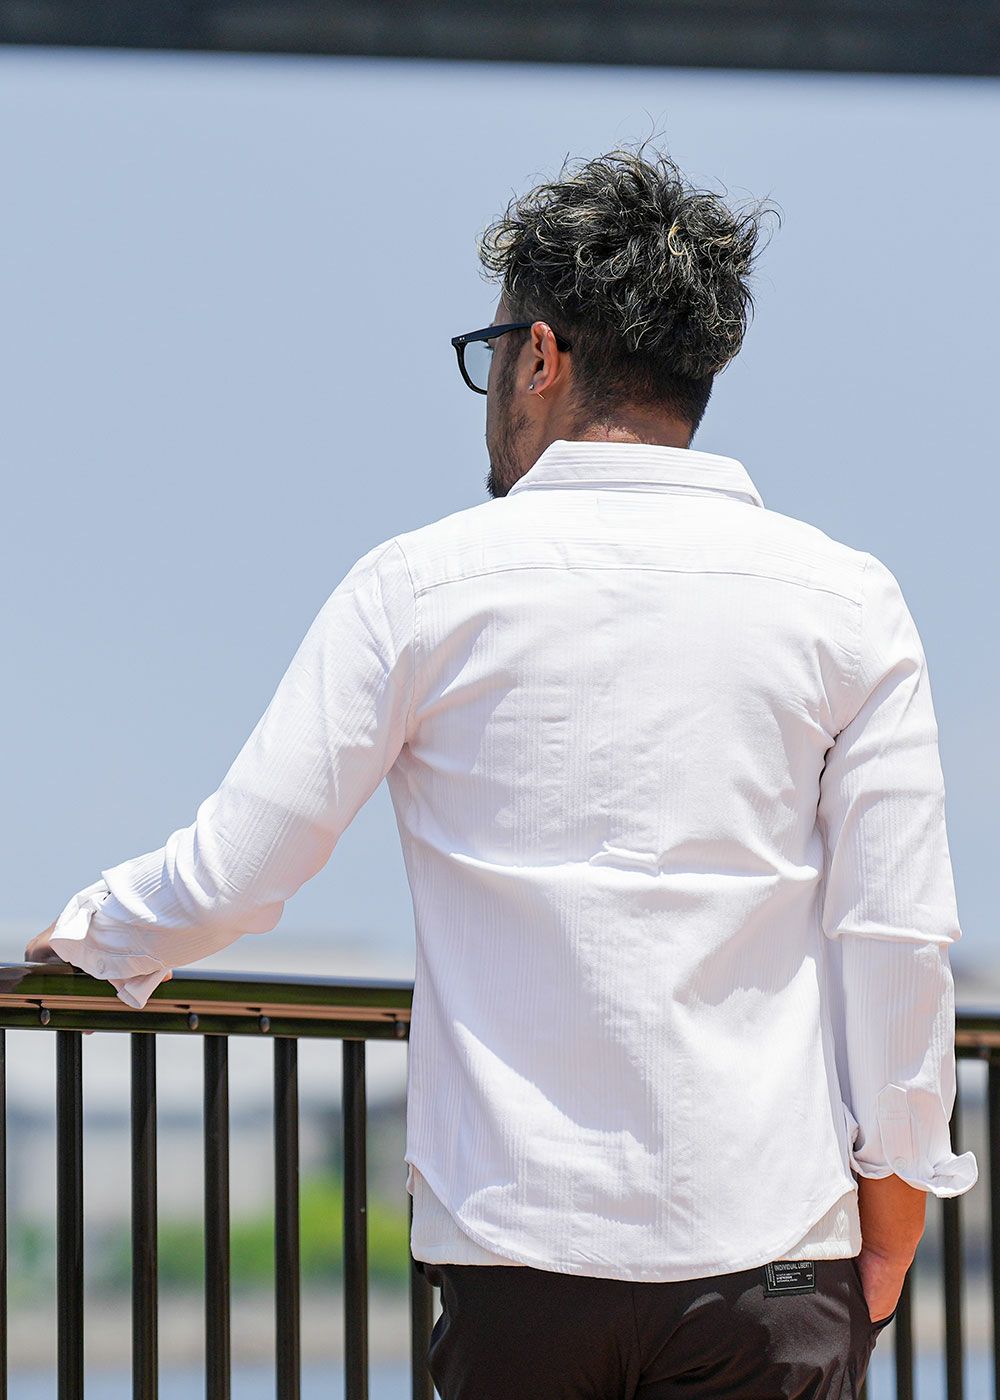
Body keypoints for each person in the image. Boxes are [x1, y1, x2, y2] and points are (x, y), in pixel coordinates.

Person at [27, 141, 978, 1398]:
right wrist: (891, 1215)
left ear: (540, 356)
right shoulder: (848, 602)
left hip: (521, 1262)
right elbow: (895, 938)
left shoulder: (420, 588)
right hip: (774, 1256)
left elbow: (238, 872)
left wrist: (94, 931)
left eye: (490, 357)